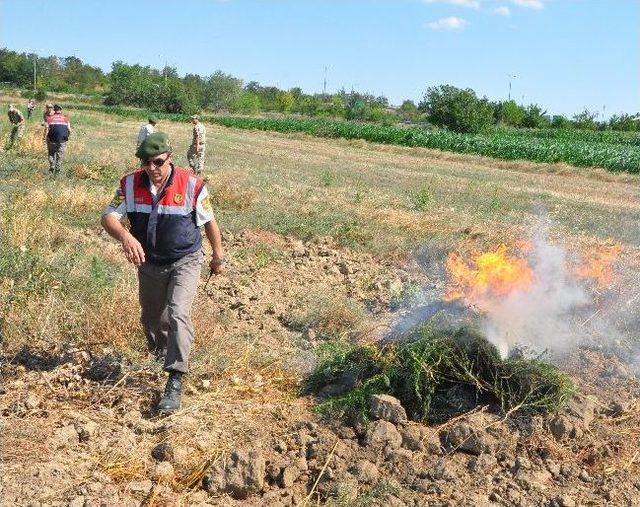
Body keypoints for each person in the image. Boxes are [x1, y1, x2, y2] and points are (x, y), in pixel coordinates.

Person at [101, 132, 225, 412]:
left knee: (179, 312)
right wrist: (125, 236)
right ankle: (161, 353)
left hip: (185, 259)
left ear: (170, 158)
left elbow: (209, 222)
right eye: (146, 162)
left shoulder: (192, 185)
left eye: (158, 161)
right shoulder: (129, 184)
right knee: (152, 318)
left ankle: (175, 380)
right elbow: (108, 217)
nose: (152, 168)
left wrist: (218, 257)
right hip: (150, 262)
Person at [43, 104, 71, 175]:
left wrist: (44, 138)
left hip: (51, 140)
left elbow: (46, 128)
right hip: (62, 140)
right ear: (61, 110)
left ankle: (52, 165)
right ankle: (57, 170)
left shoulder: (49, 118)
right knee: (60, 155)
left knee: (51, 153)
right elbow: (69, 130)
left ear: (54, 110)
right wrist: (67, 137)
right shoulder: (66, 118)